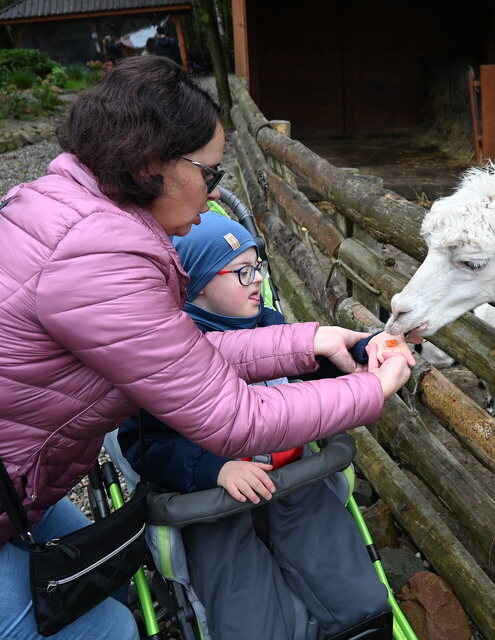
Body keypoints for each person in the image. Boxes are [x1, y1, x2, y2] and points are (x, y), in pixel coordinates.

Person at [0, 55, 412, 640]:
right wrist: (370, 390)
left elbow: (175, 363)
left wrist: (313, 340)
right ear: (152, 163)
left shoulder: (64, 208)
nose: (211, 195)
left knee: (105, 564)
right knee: (109, 630)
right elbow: (233, 416)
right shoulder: (99, 258)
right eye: (210, 173)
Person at [117, 212, 411, 639]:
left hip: (291, 476)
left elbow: (323, 363)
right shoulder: (164, 355)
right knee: (246, 613)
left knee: (354, 593)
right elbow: (145, 446)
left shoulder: (268, 324)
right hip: (211, 497)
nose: (257, 279)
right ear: (196, 283)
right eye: (242, 271)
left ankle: (363, 627)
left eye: (258, 267)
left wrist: (368, 350)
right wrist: (214, 468)